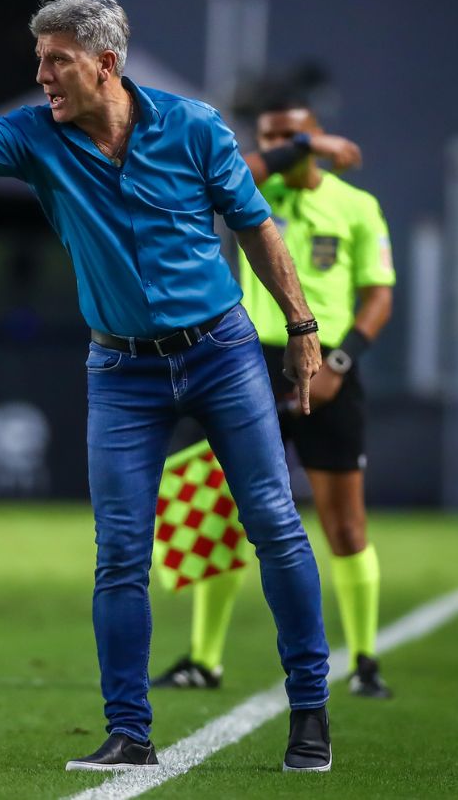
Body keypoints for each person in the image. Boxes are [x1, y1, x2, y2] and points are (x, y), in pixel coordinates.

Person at [0, 0, 334, 773]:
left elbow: (257, 226)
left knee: (276, 525)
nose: (42, 76)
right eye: (39, 60)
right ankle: (128, 731)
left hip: (221, 351)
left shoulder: (194, 128)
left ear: (106, 63)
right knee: (120, 552)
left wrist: (303, 327)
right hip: (121, 368)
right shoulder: (34, 137)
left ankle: (310, 714)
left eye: (57, 61)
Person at [152, 96, 396, 698]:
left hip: (330, 365)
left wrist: (340, 362)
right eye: (269, 136)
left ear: (315, 132)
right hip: (250, 364)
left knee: (345, 524)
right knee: (221, 515)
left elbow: (379, 295)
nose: (279, 144)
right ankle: (204, 660)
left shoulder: (357, 206)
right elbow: (247, 168)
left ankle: (365, 661)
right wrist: (306, 147)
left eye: (293, 134)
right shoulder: (251, 194)